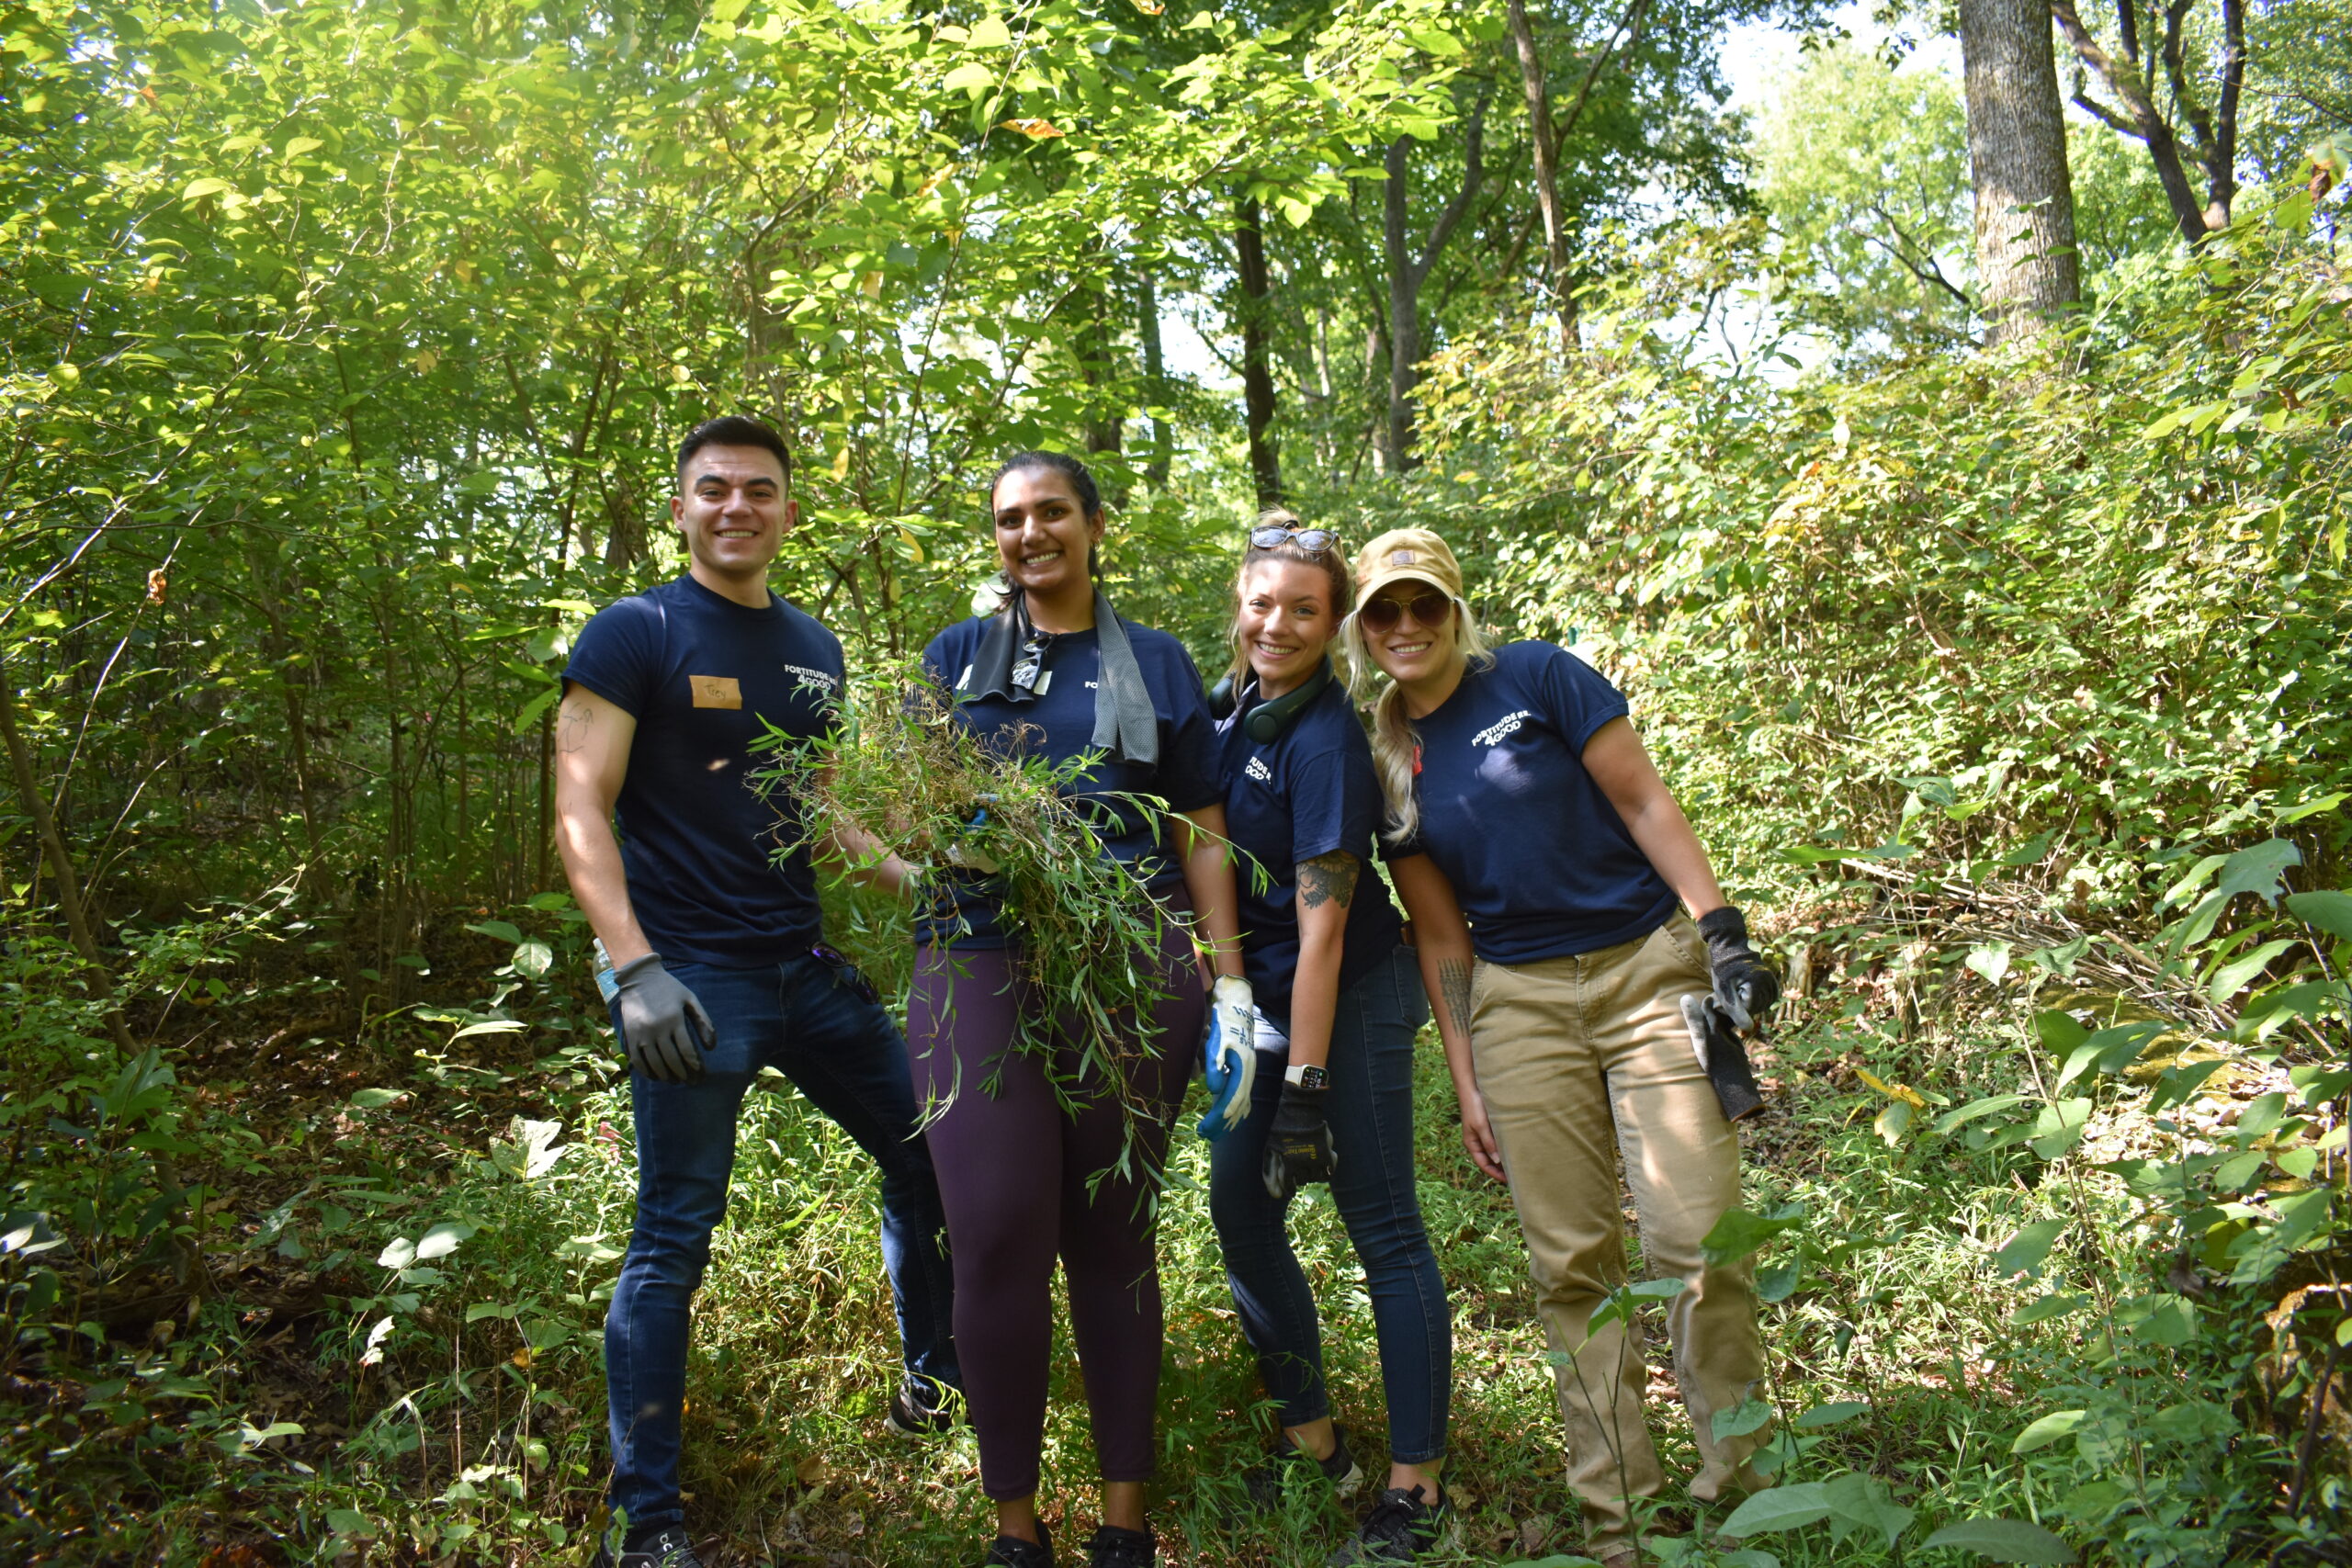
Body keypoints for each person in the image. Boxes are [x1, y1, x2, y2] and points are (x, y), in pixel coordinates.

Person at [555, 415, 959, 1568]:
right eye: (714, 489)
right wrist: (633, 969)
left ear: (788, 511)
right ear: (679, 506)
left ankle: (930, 1386)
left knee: (927, 1152)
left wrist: (908, 876)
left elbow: (813, 806)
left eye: (760, 491)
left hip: (807, 970)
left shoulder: (810, 647)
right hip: (691, 980)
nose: (738, 507)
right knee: (674, 1233)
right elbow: (580, 807)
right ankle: (652, 1522)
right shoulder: (635, 632)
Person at [1338, 529, 1781, 1568]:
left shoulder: (1537, 675)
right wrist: (1468, 1075)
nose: (1406, 628)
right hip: (1518, 1004)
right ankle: (1617, 1521)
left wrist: (1721, 932)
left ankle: (1742, 1493)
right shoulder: (1385, 753)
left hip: (1646, 974)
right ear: (1364, 629)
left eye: (1424, 606)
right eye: (1384, 613)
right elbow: (1437, 931)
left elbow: (1642, 799)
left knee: (1697, 1244)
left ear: (1455, 609)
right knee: (1572, 1268)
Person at [908, 451, 1248, 1568]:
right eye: (1009, 519)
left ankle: (1122, 1526)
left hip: (1129, 963)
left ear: (1095, 525)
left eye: (1051, 511)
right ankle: (1014, 1527)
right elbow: (875, 810)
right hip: (976, 960)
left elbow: (1198, 826)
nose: (1030, 532)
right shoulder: (954, 662)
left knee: (1114, 1236)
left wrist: (1229, 981)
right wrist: (906, 860)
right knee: (997, 1233)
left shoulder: (1152, 663)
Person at [1203, 513, 1459, 1566]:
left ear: (1332, 625)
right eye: (1263, 603)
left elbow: (1325, 928)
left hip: (1346, 994)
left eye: (1304, 610)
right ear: (1240, 606)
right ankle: (1313, 1440)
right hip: (1254, 1003)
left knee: (1380, 1223)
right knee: (1240, 1207)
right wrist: (1228, 999)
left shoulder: (1324, 745)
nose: (1278, 624)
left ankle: (1416, 1489)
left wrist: (1302, 1089)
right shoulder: (1230, 715)